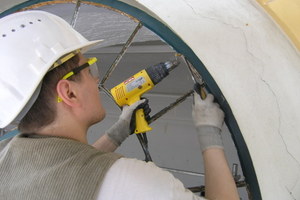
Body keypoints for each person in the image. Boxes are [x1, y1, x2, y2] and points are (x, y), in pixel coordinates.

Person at [0, 10, 239, 200]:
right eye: (90, 68)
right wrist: (209, 134)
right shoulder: (132, 181)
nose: (96, 79)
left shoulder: (6, 155)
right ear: (69, 92)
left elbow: (67, 176)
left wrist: (118, 132)